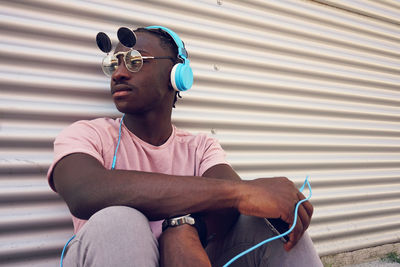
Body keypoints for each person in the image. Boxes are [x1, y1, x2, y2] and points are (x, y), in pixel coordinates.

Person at [47, 25, 322, 267]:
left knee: (267, 224)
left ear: (177, 74)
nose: (118, 73)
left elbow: (229, 210)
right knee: (120, 220)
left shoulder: (200, 146)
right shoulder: (87, 134)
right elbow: (85, 192)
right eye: (114, 63)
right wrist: (241, 191)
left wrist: (183, 229)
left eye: (134, 61)